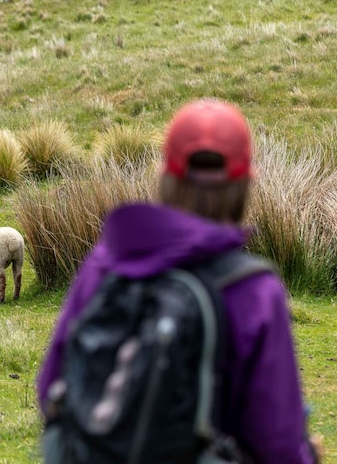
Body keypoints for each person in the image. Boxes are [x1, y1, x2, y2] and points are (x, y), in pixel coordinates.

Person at [37, 99, 321, 463]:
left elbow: (52, 387)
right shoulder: (253, 290)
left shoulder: (107, 263)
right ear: (246, 182)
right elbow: (277, 444)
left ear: (165, 175)